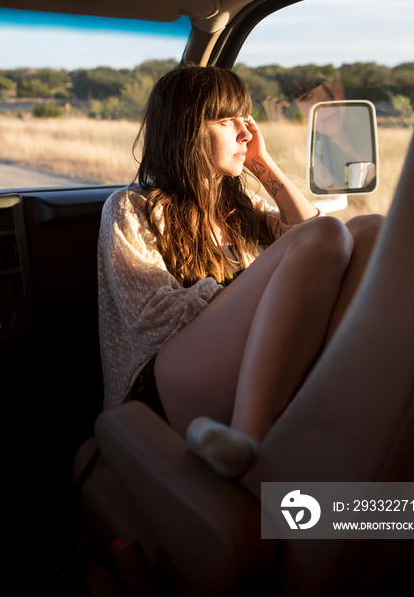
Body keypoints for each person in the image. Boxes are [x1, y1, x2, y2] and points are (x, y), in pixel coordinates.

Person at [98, 64, 384, 478]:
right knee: (327, 233)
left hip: (231, 366)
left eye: (245, 118)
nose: (246, 132)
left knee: (369, 230)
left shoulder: (241, 206)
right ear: (187, 129)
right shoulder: (131, 207)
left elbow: (315, 237)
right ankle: (250, 438)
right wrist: (258, 288)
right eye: (227, 121)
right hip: (161, 386)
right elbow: (152, 321)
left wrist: (262, 163)